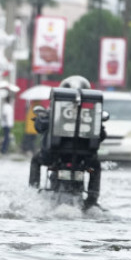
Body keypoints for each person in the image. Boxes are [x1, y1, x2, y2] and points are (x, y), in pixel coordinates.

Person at [28, 75, 104, 207]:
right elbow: (102, 135)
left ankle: (32, 194)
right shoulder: (91, 115)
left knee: (36, 160)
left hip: (53, 156)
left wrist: (40, 119)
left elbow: (40, 127)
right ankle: (92, 200)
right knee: (95, 166)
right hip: (84, 160)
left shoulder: (56, 110)